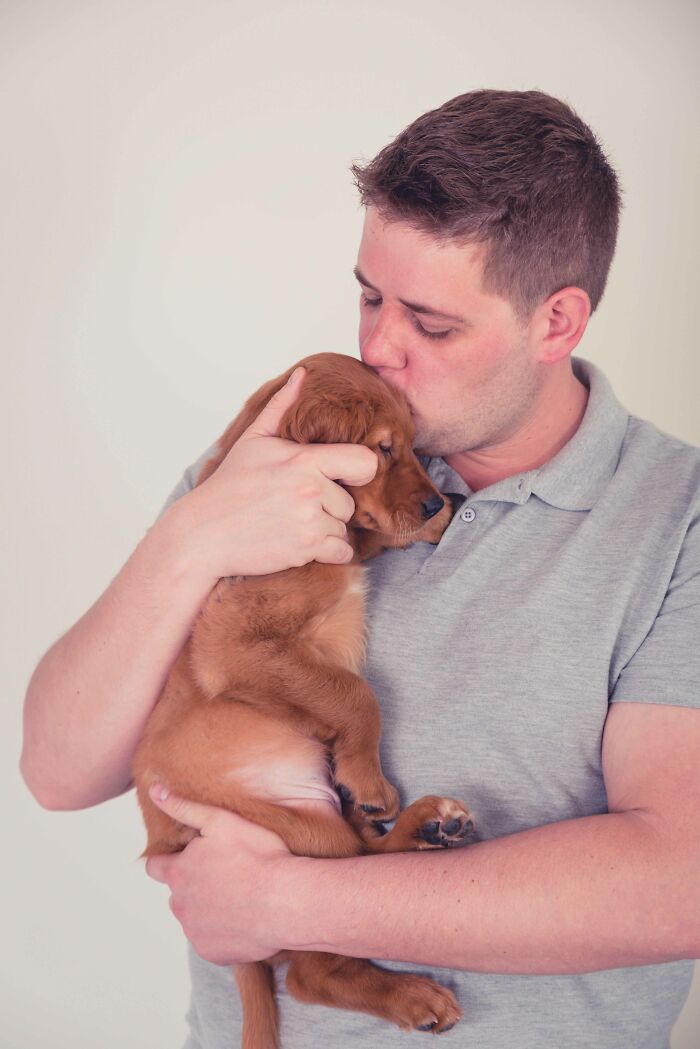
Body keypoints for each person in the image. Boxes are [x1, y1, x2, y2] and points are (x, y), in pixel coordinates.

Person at [21, 89, 700, 1049]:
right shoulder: (282, 459)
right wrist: (192, 536)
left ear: (557, 323)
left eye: (431, 323)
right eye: (370, 295)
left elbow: (679, 882)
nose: (378, 348)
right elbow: (55, 768)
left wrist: (294, 902)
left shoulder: (678, 520)